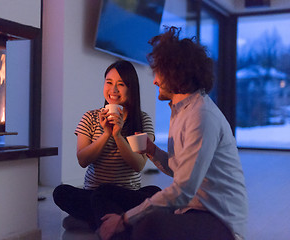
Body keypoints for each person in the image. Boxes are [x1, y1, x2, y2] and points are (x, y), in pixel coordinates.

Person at [98, 26, 248, 240]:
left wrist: (125, 219)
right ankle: (111, 226)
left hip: (217, 220)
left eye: (158, 73)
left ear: (174, 73)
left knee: (148, 224)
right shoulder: (181, 110)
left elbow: (183, 189)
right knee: (111, 193)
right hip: (190, 209)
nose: (154, 81)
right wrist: (152, 151)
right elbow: (181, 169)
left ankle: (113, 226)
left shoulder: (201, 116)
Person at [53, 60, 161, 230]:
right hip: (94, 193)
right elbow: (82, 160)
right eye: (109, 82)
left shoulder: (142, 120)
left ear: (131, 88)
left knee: (155, 192)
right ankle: (122, 220)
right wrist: (106, 134)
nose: (114, 90)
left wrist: (118, 135)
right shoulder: (89, 117)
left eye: (121, 84)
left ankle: (96, 221)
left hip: (126, 194)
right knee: (61, 192)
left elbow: (138, 165)